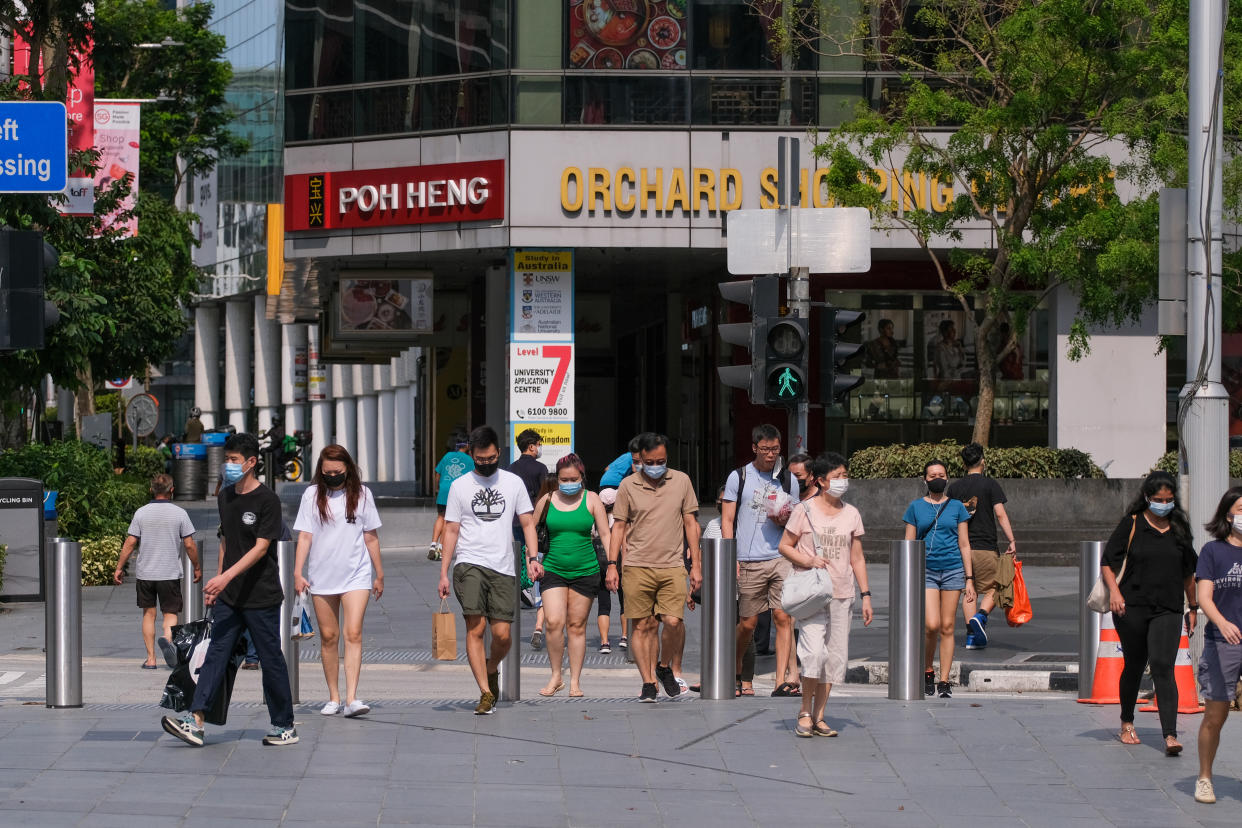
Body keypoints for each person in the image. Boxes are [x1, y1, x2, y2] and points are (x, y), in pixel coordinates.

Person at [161, 432, 298, 747]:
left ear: (251, 463)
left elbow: (261, 548)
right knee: (215, 654)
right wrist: (217, 581)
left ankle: (284, 725)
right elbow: (227, 542)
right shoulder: (226, 497)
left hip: (261, 595)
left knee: (270, 658)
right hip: (230, 596)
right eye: (227, 460)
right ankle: (196, 720)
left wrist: (226, 578)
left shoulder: (267, 501)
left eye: (234, 461)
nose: (228, 466)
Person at [438, 425, 540, 715]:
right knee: (476, 627)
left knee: (503, 634)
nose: (486, 464)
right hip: (469, 562)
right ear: (471, 455)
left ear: (499, 453)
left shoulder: (513, 482)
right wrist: (444, 571)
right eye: (480, 460)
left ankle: (491, 667)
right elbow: (452, 529)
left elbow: (528, 522)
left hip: (504, 565)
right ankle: (485, 692)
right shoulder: (460, 486)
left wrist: (534, 558)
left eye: (491, 458)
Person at [1101, 470, 1196, 756]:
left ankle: (1170, 734)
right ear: (1146, 497)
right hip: (1131, 607)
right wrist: (1115, 593)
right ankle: (1127, 722)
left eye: (1168, 499)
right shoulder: (1131, 524)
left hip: (1168, 607)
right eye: (1157, 499)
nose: (1163, 504)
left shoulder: (1179, 527)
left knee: (1163, 666)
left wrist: (1193, 607)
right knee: (1134, 665)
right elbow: (1108, 562)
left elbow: (1188, 572)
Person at [779, 452, 873, 737]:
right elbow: (785, 545)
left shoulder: (852, 513)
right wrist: (808, 561)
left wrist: (866, 594)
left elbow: (857, 557)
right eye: (837, 477)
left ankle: (819, 715)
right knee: (813, 654)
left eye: (845, 475)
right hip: (813, 594)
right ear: (820, 481)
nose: (843, 481)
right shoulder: (804, 510)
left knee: (834, 659)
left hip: (842, 593)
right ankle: (804, 711)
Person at [606, 432, 701, 702]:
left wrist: (696, 564)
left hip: (672, 565)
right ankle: (648, 682)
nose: (656, 465)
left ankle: (662, 667)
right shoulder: (627, 486)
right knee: (643, 626)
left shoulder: (681, 481)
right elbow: (619, 526)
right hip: (636, 566)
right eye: (650, 461)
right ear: (640, 460)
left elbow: (691, 523)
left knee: (673, 622)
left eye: (661, 460)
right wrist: (612, 564)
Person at [293, 445, 385, 718]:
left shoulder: (362, 494)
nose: (332, 476)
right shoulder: (311, 495)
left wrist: (379, 573)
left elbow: (371, 536)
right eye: (327, 472)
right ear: (320, 472)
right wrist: (298, 572)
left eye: (338, 472)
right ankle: (333, 696)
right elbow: (305, 536)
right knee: (329, 637)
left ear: (348, 468)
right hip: (322, 575)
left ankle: (351, 698)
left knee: (353, 633)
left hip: (356, 574)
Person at [721, 424, 800, 698]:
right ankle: (736, 668)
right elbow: (728, 520)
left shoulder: (788, 479)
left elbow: (797, 519)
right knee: (748, 624)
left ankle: (780, 682)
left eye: (775, 449)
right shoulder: (739, 477)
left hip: (781, 556)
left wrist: (784, 519)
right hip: (749, 559)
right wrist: (731, 557)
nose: (770, 454)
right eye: (765, 449)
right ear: (754, 447)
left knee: (782, 617)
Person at [532, 454, 611, 697]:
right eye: (564, 479)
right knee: (554, 622)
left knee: (576, 626)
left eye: (573, 479)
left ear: (582, 477)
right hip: (553, 568)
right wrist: (532, 559)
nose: (568, 483)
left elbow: (606, 534)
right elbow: (531, 530)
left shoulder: (592, 499)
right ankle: (556, 675)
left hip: (585, 570)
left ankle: (575, 680)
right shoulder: (546, 500)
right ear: (557, 479)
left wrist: (613, 565)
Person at [902, 459, 974, 698]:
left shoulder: (956, 507)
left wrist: (969, 578)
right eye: (932, 475)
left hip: (953, 568)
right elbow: (908, 545)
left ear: (947, 478)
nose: (937, 479)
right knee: (931, 625)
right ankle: (927, 670)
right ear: (925, 480)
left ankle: (944, 679)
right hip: (926, 571)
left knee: (948, 626)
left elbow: (964, 543)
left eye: (941, 474)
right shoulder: (915, 507)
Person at [114, 474, 200, 669]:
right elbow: (189, 545)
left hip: (145, 573)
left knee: (148, 614)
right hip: (169, 573)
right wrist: (197, 567)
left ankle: (151, 659)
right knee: (170, 613)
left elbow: (130, 542)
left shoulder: (141, 513)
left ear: (151, 490)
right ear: (172, 490)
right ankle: (167, 637)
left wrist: (119, 567)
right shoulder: (179, 513)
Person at [1193, 487, 1242, 804]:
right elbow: (1203, 597)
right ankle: (1205, 778)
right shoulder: (1213, 552)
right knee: (1216, 715)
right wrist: (1223, 623)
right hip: (1223, 642)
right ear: (1229, 514)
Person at [946, 442, 1018, 650]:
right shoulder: (990, 485)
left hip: (962, 547)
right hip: (986, 547)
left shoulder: (955, 488)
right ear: (983, 461)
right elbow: (1000, 514)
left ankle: (971, 636)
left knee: (970, 590)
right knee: (997, 585)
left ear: (963, 463)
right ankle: (981, 616)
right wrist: (1011, 539)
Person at [508, 429, 549, 647]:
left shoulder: (512, 468)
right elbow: (544, 495)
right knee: (535, 556)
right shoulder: (540, 468)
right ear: (532, 446)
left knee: (518, 555)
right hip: (534, 519)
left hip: (514, 520)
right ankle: (532, 590)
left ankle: (522, 589)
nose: (540, 448)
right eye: (539, 444)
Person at [430, 433, 473, 560]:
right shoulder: (469, 460)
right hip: (456, 493)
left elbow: (437, 473)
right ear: (466, 445)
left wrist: (437, 488)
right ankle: (440, 549)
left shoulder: (447, 456)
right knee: (448, 521)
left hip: (443, 490)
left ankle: (433, 544)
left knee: (440, 517)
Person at [596, 487, 626, 653]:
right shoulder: (621, 521)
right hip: (619, 565)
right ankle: (624, 637)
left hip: (600, 566)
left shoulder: (595, 521)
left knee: (603, 605)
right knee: (624, 603)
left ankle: (605, 642)